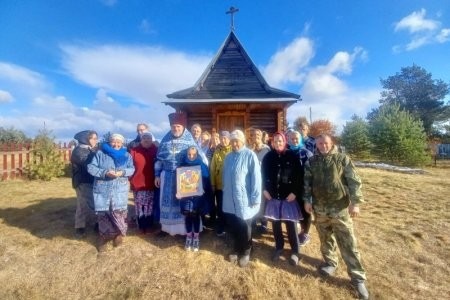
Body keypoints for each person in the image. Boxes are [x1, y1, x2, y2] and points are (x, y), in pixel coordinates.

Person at [303, 134, 369, 300]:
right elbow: (307, 182)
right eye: (319, 143)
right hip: (320, 209)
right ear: (316, 145)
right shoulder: (312, 161)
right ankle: (330, 263)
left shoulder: (342, 159)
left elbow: (354, 181)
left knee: (347, 242)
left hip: (340, 209)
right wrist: (307, 200)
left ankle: (357, 278)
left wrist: (356, 203)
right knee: (326, 239)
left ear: (331, 143)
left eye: (325, 143)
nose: (323, 145)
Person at [88, 133, 135, 252]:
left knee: (119, 212)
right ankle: (103, 237)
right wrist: (104, 172)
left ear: (122, 143)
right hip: (103, 188)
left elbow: (132, 169)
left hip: (119, 189)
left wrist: (123, 172)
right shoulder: (100, 153)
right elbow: (91, 167)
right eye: (114, 141)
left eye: (119, 142)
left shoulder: (126, 155)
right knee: (104, 213)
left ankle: (118, 235)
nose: (116, 144)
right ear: (109, 142)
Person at [262, 132, 302, 266]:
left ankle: (295, 251)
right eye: (275, 141)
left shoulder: (292, 156)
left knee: (291, 225)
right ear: (272, 142)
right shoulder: (268, 157)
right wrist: (264, 190)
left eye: (280, 141)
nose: (278, 143)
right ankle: (279, 247)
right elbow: (262, 174)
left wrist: (295, 192)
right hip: (273, 196)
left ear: (285, 142)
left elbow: (299, 176)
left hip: (288, 197)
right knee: (276, 225)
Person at [222, 129, 261, 268]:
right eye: (232, 141)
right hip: (230, 198)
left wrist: (256, 197)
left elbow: (256, 178)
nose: (234, 143)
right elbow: (225, 175)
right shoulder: (228, 157)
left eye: (236, 141)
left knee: (245, 226)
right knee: (233, 225)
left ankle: (246, 251)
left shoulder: (250, 155)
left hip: (244, 198)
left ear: (242, 141)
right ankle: (236, 248)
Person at [154, 112, 197, 236]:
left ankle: (185, 231)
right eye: (174, 126)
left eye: (178, 126)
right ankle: (166, 229)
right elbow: (158, 160)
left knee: (183, 204)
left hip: (184, 177)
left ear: (183, 127)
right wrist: (157, 175)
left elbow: (198, 159)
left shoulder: (190, 141)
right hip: (167, 176)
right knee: (166, 203)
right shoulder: (165, 141)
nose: (176, 129)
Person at [177, 146, 211, 252]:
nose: (191, 156)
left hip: (197, 197)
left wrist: (203, 188)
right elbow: (178, 181)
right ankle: (189, 237)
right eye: (189, 154)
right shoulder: (182, 165)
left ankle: (196, 238)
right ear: (186, 154)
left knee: (196, 215)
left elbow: (206, 180)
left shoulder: (201, 165)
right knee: (187, 216)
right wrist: (178, 191)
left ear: (197, 154)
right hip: (186, 196)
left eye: (193, 154)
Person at [287, 130, 313, 246]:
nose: (294, 140)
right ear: (288, 140)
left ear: (300, 139)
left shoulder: (306, 153)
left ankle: (305, 233)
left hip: (304, 187)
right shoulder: (286, 152)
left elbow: (313, 172)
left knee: (305, 211)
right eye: (292, 139)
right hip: (291, 187)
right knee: (294, 210)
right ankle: (296, 231)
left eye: (297, 138)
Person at [71, 130, 98, 238]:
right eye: (94, 138)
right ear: (86, 139)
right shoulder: (78, 151)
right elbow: (87, 164)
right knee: (83, 204)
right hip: (82, 181)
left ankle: (97, 223)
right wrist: (96, 154)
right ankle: (79, 227)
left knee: (94, 203)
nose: (96, 141)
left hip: (91, 180)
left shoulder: (90, 149)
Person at [129, 132, 158, 234]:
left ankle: (149, 225)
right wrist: (129, 180)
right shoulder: (134, 151)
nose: (146, 140)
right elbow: (129, 166)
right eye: (144, 138)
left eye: (149, 138)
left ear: (152, 140)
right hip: (138, 183)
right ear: (141, 140)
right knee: (140, 206)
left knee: (150, 206)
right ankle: (141, 226)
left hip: (151, 183)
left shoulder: (156, 150)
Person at [209, 130, 232, 237]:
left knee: (231, 207)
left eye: (225, 138)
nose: (223, 140)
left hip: (231, 186)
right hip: (219, 185)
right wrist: (213, 184)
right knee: (220, 207)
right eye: (222, 138)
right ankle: (221, 227)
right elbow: (213, 168)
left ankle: (230, 226)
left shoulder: (233, 150)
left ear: (229, 139)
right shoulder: (217, 151)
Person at [249, 128, 271, 234]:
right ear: (251, 136)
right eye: (253, 134)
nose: (256, 136)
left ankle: (264, 223)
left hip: (263, 180)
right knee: (252, 200)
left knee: (263, 202)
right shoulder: (248, 149)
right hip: (251, 181)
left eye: (258, 134)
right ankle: (253, 221)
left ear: (261, 136)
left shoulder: (266, 149)